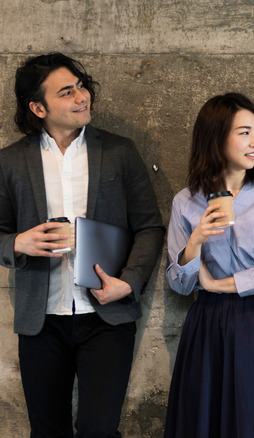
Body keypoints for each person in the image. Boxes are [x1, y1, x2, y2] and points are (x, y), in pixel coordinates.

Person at [0, 53, 165, 437]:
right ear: (38, 107)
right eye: (67, 92)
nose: (82, 97)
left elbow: (149, 227)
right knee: (46, 431)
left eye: (81, 87)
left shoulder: (119, 151)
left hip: (106, 317)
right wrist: (19, 243)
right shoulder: (10, 162)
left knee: (98, 430)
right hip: (40, 321)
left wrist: (130, 281)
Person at [164, 93, 254, 438]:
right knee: (203, 420)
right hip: (206, 324)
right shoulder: (186, 201)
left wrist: (218, 284)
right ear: (215, 138)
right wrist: (195, 241)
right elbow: (179, 284)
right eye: (243, 132)